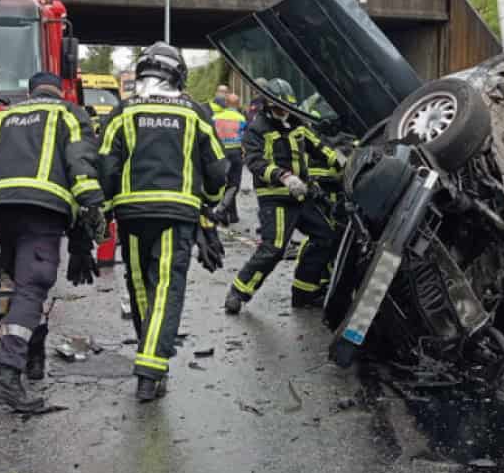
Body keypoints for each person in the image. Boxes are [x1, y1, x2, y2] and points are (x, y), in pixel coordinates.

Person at [0, 72, 105, 414]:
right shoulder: (69, 113)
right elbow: (80, 162)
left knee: (23, 287)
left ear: (30, 92)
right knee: (32, 286)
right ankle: (7, 375)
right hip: (41, 209)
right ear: (60, 91)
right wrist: (92, 206)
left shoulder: (1, 118)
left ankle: (33, 355)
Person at [98, 43, 228, 401]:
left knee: (141, 286)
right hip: (177, 213)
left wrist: (105, 208)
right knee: (167, 288)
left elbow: (106, 162)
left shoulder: (123, 111)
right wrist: (209, 210)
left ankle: (147, 356)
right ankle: (150, 370)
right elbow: (218, 170)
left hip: (131, 215)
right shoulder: (195, 113)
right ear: (177, 75)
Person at [225, 78, 343, 316]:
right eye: (279, 108)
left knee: (326, 236)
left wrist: (341, 162)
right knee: (275, 247)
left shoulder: (297, 124)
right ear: (269, 104)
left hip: (303, 195)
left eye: (286, 108)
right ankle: (238, 292)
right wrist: (284, 177)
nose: (283, 112)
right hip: (276, 196)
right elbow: (255, 162)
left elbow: (318, 146)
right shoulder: (256, 129)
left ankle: (304, 293)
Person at [212, 92, 248, 224]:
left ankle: (232, 215)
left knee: (224, 183)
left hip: (220, 152)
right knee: (234, 184)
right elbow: (245, 137)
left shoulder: (215, 117)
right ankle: (221, 211)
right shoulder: (241, 118)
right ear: (238, 104)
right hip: (235, 153)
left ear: (226, 104)